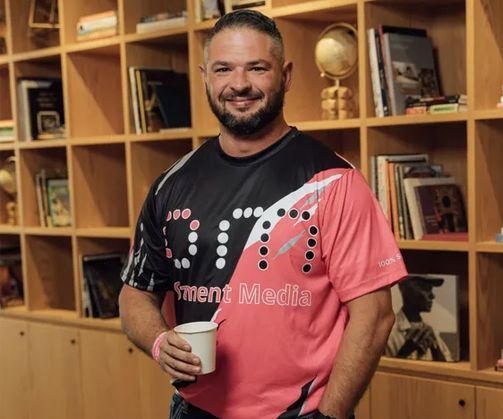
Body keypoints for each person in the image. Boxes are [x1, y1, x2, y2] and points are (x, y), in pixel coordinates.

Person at [119, 9, 407, 419]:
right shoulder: (171, 184)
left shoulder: (334, 181)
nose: (239, 84)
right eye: (224, 69)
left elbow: (375, 315)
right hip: (193, 410)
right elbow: (136, 293)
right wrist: (159, 341)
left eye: (257, 68)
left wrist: (331, 415)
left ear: (285, 76)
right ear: (205, 76)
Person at [385, 275, 453, 361]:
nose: (432, 295)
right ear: (404, 289)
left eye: (431, 289)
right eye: (425, 287)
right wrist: (406, 350)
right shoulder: (389, 332)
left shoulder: (431, 331)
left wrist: (434, 347)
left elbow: (448, 364)